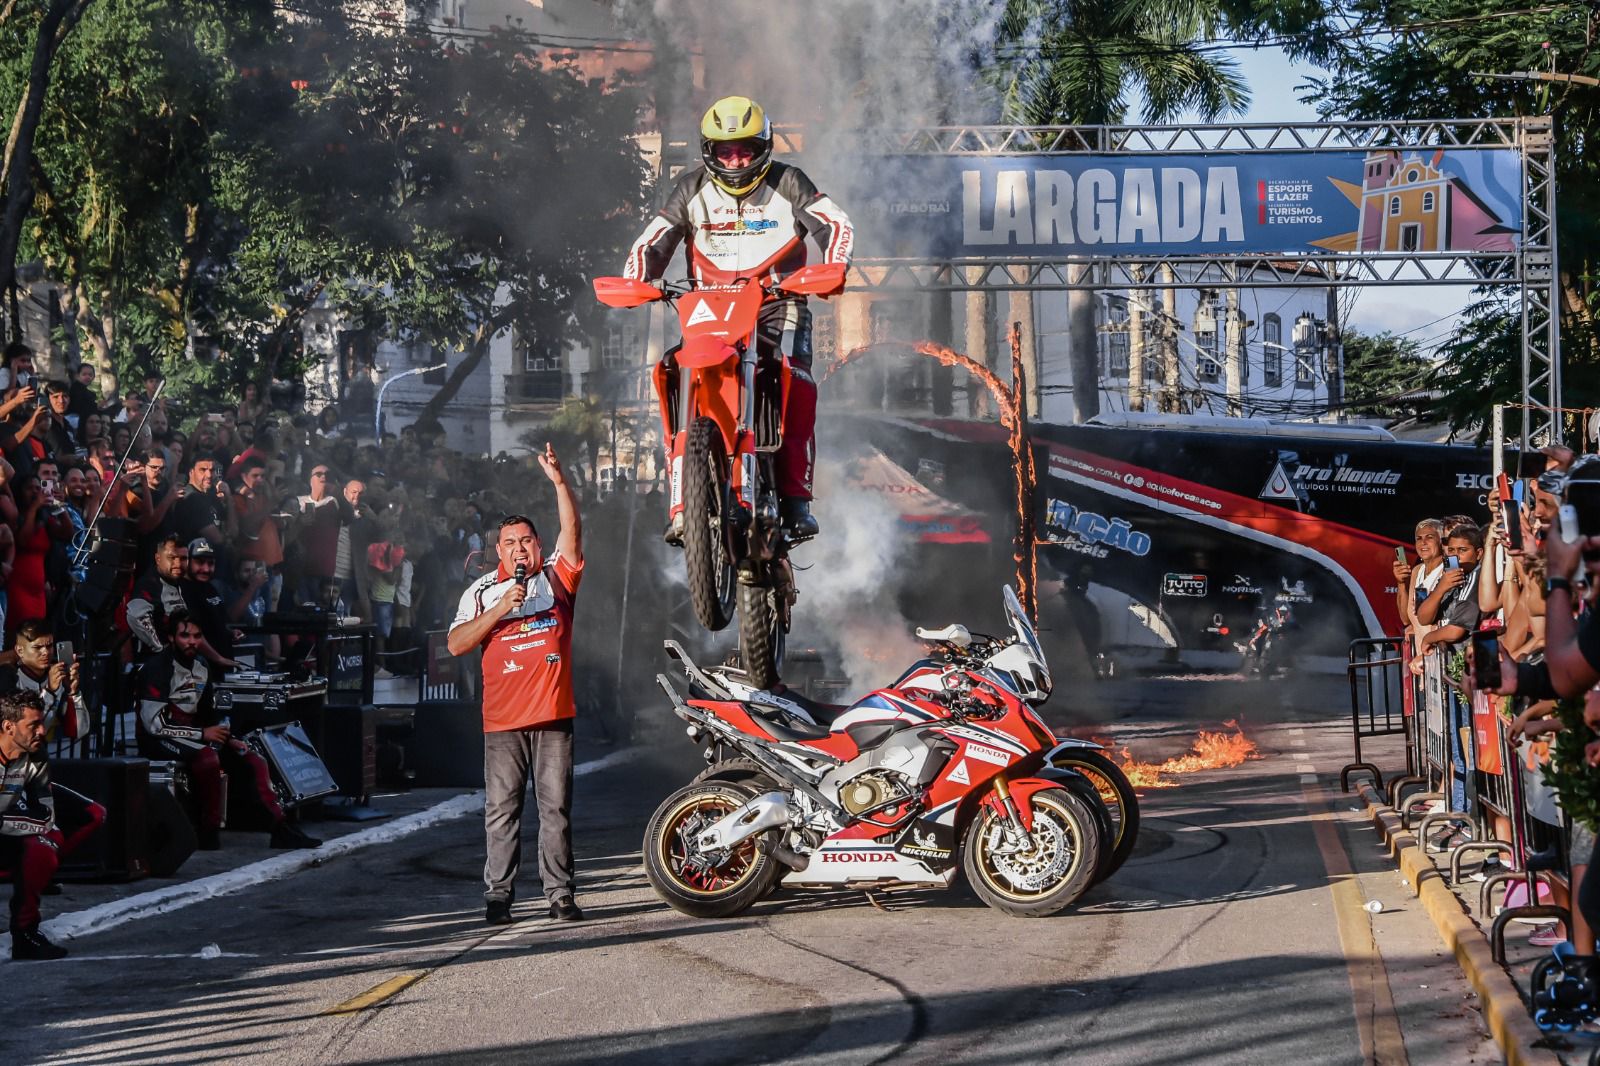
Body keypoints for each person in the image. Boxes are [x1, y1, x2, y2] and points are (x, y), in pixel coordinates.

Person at [621, 94, 853, 541]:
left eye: (745, 149)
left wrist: (834, 267)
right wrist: (639, 280)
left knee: (796, 378)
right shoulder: (690, 189)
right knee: (671, 366)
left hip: (778, 302)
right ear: (709, 151)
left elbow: (836, 223)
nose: (736, 159)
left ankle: (796, 498)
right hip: (708, 306)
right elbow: (651, 240)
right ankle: (682, 500)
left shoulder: (789, 182)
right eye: (725, 151)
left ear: (764, 147)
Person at [447, 443, 584, 925]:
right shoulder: (481, 591)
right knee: (501, 812)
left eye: (526, 541)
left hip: (552, 718)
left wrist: (559, 483)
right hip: (502, 723)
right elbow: (457, 644)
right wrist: (502, 608)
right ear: (496, 551)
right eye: (509, 543)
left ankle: (559, 895)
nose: (519, 549)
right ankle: (498, 896)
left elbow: (573, 532)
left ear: (538, 546)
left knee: (555, 811)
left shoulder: (556, 579)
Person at [135, 610, 318, 851]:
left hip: (192, 733)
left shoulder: (201, 666)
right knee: (208, 758)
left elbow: (208, 715)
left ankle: (279, 827)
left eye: (197, 636)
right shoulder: (156, 668)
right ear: (171, 638)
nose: (191, 642)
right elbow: (153, 725)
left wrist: (229, 739)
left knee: (252, 759)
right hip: (157, 738)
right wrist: (203, 735)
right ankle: (207, 831)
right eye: (185, 636)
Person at [0, 692, 68, 959]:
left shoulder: (35, 754)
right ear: (8, 726)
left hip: (8, 828)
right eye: (33, 725)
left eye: (42, 723)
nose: (42, 731)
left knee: (46, 846)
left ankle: (25, 933)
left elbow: (45, 813)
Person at [126, 535, 188, 653]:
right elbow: (135, 615)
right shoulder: (149, 584)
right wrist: (160, 649)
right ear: (158, 559)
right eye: (172, 557)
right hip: (158, 664)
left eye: (183, 558)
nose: (178, 564)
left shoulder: (184, 583)